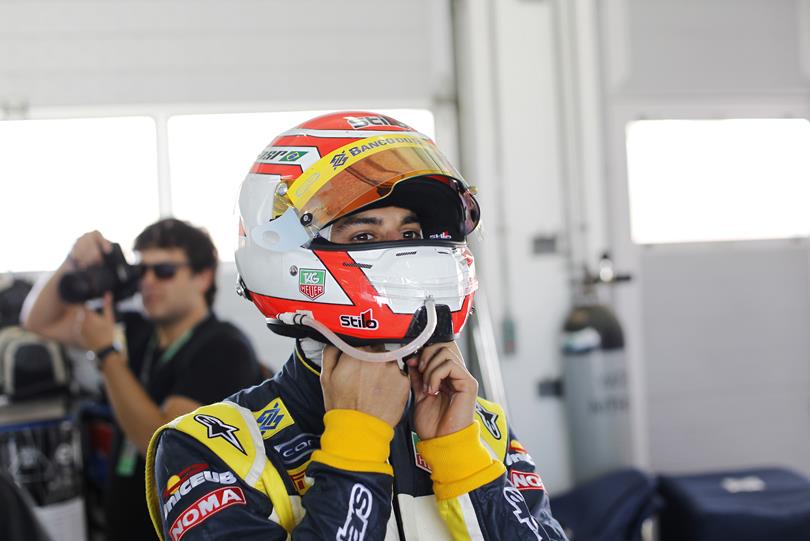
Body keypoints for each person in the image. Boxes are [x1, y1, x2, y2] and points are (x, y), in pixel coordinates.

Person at [146, 112, 568, 540]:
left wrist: (459, 453)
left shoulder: (482, 426)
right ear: (285, 256)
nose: (406, 256)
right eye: (364, 236)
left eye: (410, 234)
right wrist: (355, 444)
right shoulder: (210, 448)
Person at [22, 218, 262, 541]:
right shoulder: (135, 332)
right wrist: (73, 260)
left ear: (203, 277)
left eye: (164, 270)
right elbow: (38, 321)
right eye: (141, 271)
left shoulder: (225, 348)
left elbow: (161, 441)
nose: (148, 281)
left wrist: (107, 354)